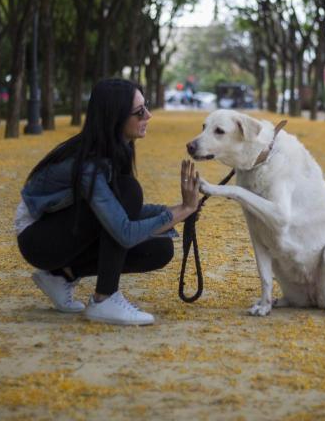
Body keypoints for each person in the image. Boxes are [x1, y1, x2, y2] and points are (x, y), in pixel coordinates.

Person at [15, 78, 200, 326]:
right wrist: (182, 210)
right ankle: (105, 299)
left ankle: (61, 275)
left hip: (63, 231)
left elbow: (122, 214)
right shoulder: (91, 164)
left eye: (145, 107)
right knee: (130, 191)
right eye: (139, 112)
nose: (148, 116)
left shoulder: (116, 149)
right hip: (38, 239)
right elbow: (124, 231)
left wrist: (182, 210)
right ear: (115, 118)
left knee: (159, 249)